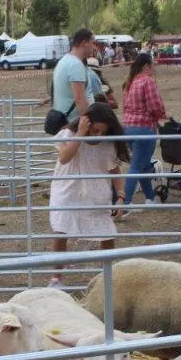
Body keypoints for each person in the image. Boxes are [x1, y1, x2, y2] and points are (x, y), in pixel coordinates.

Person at [47, 103, 129, 288]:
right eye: (96, 130)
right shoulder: (69, 135)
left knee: (107, 235)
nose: (99, 135)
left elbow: (114, 169)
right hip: (68, 191)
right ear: (86, 122)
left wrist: (121, 197)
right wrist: (80, 134)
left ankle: (106, 275)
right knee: (61, 232)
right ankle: (57, 278)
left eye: (103, 132)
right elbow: (64, 157)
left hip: (95, 194)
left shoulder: (107, 144)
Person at [121, 52, 168, 214]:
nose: (153, 69)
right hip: (145, 129)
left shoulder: (129, 83)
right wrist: (163, 114)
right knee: (136, 167)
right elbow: (155, 106)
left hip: (129, 129)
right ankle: (124, 203)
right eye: (152, 65)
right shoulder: (147, 82)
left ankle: (149, 198)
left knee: (142, 165)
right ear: (147, 66)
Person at [51, 28, 97, 128]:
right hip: (74, 124)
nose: (95, 47)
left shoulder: (65, 60)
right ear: (84, 43)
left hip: (65, 122)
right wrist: (90, 124)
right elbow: (79, 98)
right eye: (93, 43)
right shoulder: (76, 64)